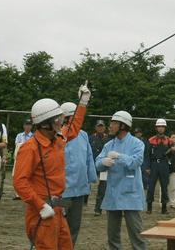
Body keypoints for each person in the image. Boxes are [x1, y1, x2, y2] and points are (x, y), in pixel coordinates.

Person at [12, 84, 90, 250]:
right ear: (46, 123)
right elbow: (20, 182)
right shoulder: (30, 148)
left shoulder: (58, 139)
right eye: (58, 119)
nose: (61, 122)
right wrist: (41, 205)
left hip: (57, 209)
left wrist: (82, 103)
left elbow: (74, 127)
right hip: (41, 211)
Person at [95, 111, 147, 250]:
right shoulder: (109, 145)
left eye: (114, 123)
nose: (110, 126)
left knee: (136, 233)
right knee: (112, 235)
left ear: (123, 125)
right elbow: (97, 163)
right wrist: (103, 162)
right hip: (113, 193)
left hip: (130, 193)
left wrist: (119, 156)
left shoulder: (137, 144)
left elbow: (135, 162)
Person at [60, 102, 97, 244]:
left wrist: (91, 179)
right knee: (60, 227)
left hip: (80, 188)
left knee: (74, 226)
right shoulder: (59, 135)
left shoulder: (83, 135)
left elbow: (88, 157)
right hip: (63, 189)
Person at [145, 118, 172, 214]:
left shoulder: (169, 140)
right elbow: (147, 154)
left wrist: (172, 151)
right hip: (153, 165)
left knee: (164, 186)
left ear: (165, 128)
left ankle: (164, 208)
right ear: (156, 128)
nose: (160, 128)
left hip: (164, 164)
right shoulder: (151, 140)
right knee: (151, 186)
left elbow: (171, 156)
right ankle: (149, 208)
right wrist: (147, 167)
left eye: (162, 127)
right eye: (159, 126)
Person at [91, 119, 111, 214]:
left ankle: (98, 209)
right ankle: (84, 202)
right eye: (99, 126)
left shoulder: (108, 138)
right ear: (96, 127)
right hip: (93, 166)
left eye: (102, 126)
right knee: (88, 184)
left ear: (105, 128)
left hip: (103, 166)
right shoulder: (91, 138)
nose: (100, 128)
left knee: (103, 186)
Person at [12, 118, 34, 200]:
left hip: (29, 158)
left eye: (29, 125)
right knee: (17, 175)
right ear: (23, 126)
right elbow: (17, 146)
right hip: (20, 157)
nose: (27, 126)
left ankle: (27, 194)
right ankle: (17, 194)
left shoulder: (34, 136)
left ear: (31, 126)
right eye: (26, 125)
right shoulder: (19, 135)